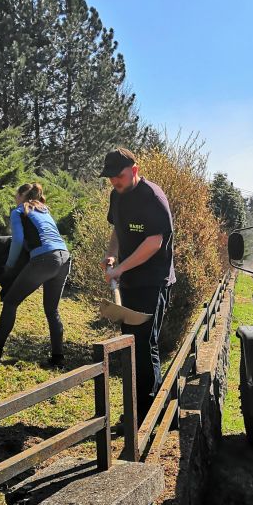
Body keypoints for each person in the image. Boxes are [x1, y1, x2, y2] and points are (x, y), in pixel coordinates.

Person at [101, 147, 175, 423]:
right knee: (130, 344)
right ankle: (138, 410)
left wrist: (121, 268)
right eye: (110, 178)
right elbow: (117, 230)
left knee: (144, 344)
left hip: (153, 282)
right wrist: (111, 254)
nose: (114, 182)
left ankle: (146, 414)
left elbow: (154, 242)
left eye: (118, 176)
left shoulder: (152, 197)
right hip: (129, 281)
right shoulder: (117, 195)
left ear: (134, 170)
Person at [0, 182, 71, 365]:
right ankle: (58, 358)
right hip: (65, 258)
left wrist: (9, 265)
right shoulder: (44, 210)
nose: (15, 198)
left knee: (11, 301)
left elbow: (18, 240)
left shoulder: (19, 211)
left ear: (22, 196)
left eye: (16, 195)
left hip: (46, 259)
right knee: (52, 309)